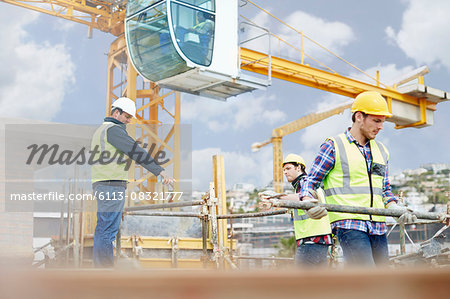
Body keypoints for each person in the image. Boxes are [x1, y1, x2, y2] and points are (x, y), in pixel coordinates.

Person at [300, 91, 416, 267]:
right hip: (349, 223)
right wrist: (308, 201)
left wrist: (395, 209)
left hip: (377, 224)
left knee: (382, 280)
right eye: (376, 121)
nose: (381, 127)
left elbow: (384, 191)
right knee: (367, 277)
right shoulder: (334, 145)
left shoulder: (381, 151)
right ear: (359, 116)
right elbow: (310, 180)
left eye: (382, 121)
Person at [91, 97, 174, 267]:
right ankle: (105, 272)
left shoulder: (101, 130)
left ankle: (100, 269)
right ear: (116, 113)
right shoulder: (114, 130)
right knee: (108, 231)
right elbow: (136, 151)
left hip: (102, 183)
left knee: (102, 229)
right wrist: (159, 170)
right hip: (111, 185)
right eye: (127, 117)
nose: (129, 121)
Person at [278, 154, 332, 267]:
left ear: (298, 168)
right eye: (284, 170)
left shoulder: (304, 182)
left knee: (301, 281)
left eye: (288, 168)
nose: (285, 172)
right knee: (318, 282)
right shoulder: (308, 184)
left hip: (311, 239)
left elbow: (301, 197)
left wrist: (277, 197)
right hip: (319, 239)